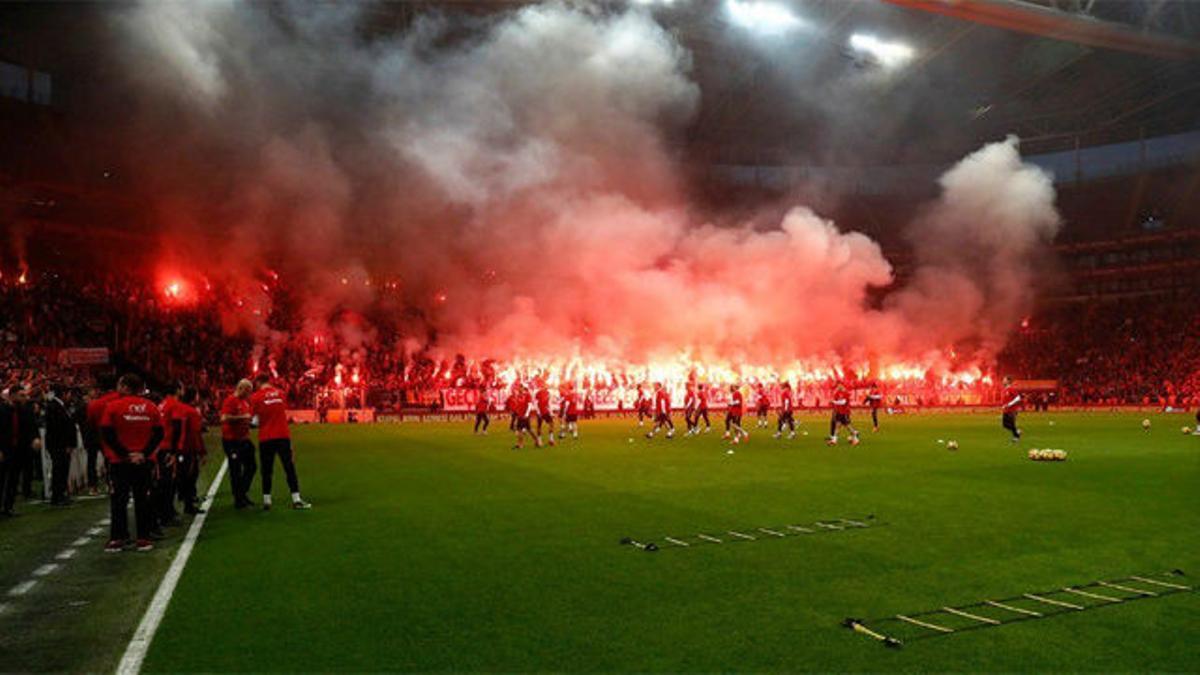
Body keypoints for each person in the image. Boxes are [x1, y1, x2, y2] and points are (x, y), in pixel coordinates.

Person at [101, 373, 164, 552]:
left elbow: (107, 434)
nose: (117, 388)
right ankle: (143, 537)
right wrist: (143, 453)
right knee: (142, 499)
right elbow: (159, 434)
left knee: (118, 500)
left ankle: (117, 538)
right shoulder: (151, 407)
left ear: (126, 387)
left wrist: (126, 454)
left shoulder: (112, 407)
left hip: (119, 462)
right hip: (144, 462)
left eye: (119, 385)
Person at [250, 374, 312, 510]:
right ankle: (296, 499)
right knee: (289, 468)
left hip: (265, 437)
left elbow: (254, 421)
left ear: (258, 383)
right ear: (269, 381)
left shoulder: (255, 397)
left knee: (266, 470)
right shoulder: (281, 393)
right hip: (282, 435)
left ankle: (267, 501)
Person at [220, 379, 257, 509]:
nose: (249, 394)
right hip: (232, 441)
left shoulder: (244, 402)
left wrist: (250, 422)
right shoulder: (231, 400)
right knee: (235, 470)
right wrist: (243, 418)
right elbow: (224, 418)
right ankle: (239, 498)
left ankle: (241, 493)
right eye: (248, 391)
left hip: (244, 439)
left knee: (251, 467)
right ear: (242, 389)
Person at [170, 387, 206, 515]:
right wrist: (201, 451)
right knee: (190, 476)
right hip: (188, 448)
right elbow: (195, 433)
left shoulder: (178, 408)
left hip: (178, 448)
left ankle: (182, 500)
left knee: (181, 476)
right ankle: (188, 504)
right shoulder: (191, 411)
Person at [43, 383, 78, 506]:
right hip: (59, 445)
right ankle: (57, 496)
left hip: (60, 444)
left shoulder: (59, 406)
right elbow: (57, 428)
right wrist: (67, 444)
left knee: (62, 469)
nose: (69, 396)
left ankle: (60, 494)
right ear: (63, 393)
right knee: (59, 469)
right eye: (68, 393)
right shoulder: (54, 406)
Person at [154, 384, 184, 527]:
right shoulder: (174, 404)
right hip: (167, 447)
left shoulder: (162, 404)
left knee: (164, 481)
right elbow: (177, 426)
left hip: (160, 447)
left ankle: (165, 512)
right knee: (169, 482)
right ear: (177, 390)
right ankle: (166, 514)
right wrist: (174, 451)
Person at [85, 378, 120, 496]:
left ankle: (92, 486)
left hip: (94, 434)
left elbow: (90, 422)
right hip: (110, 435)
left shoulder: (93, 404)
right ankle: (111, 484)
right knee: (111, 461)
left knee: (91, 461)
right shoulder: (119, 399)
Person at [0, 389, 22, 516]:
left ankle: (8, 506)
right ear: (12, 395)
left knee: (13, 479)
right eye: (21, 395)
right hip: (5, 448)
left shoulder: (18, 409)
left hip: (15, 449)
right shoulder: (3, 409)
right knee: (2, 479)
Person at [512, 384, 536, 449]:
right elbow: (518, 405)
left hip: (525, 415)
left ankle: (522, 444)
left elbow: (529, 405)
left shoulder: (527, 395)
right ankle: (520, 444)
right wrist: (516, 412)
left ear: (523, 388)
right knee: (520, 429)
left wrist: (527, 414)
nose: (519, 389)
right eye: (518, 388)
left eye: (520, 388)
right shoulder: (518, 396)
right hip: (520, 415)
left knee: (529, 429)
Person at [534, 382, 556, 447]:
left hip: (546, 411)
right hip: (540, 411)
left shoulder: (548, 393)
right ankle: (539, 441)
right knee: (539, 426)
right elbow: (536, 402)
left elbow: (548, 403)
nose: (546, 386)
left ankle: (551, 439)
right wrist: (538, 411)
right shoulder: (538, 393)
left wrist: (551, 412)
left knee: (551, 424)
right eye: (545, 385)